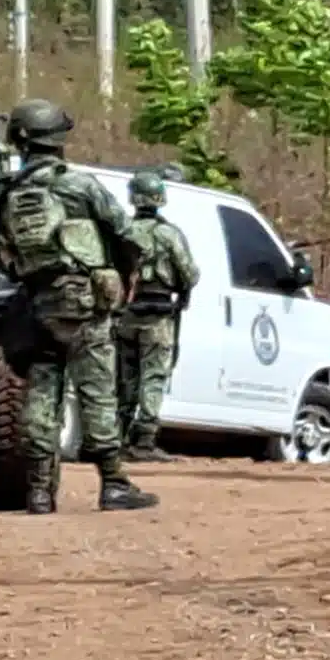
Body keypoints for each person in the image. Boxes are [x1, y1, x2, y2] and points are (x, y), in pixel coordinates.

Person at [0, 99, 158, 514]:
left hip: (38, 305)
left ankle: (40, 491)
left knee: (42, 391)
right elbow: (127, 235)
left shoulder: (5, 196)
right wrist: (124, 274)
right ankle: (114, 483)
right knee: (96, 388)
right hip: (86, 303)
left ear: (19, 140)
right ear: (59, 140)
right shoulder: (79, 186)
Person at [116, 171, 199, 463]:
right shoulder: (169, 234)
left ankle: (117, 440)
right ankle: (144, 442)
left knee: (125, 379)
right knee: (153, 376)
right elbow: (190, 274)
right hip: (158, 316)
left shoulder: (123, 231)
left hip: (125, 315)